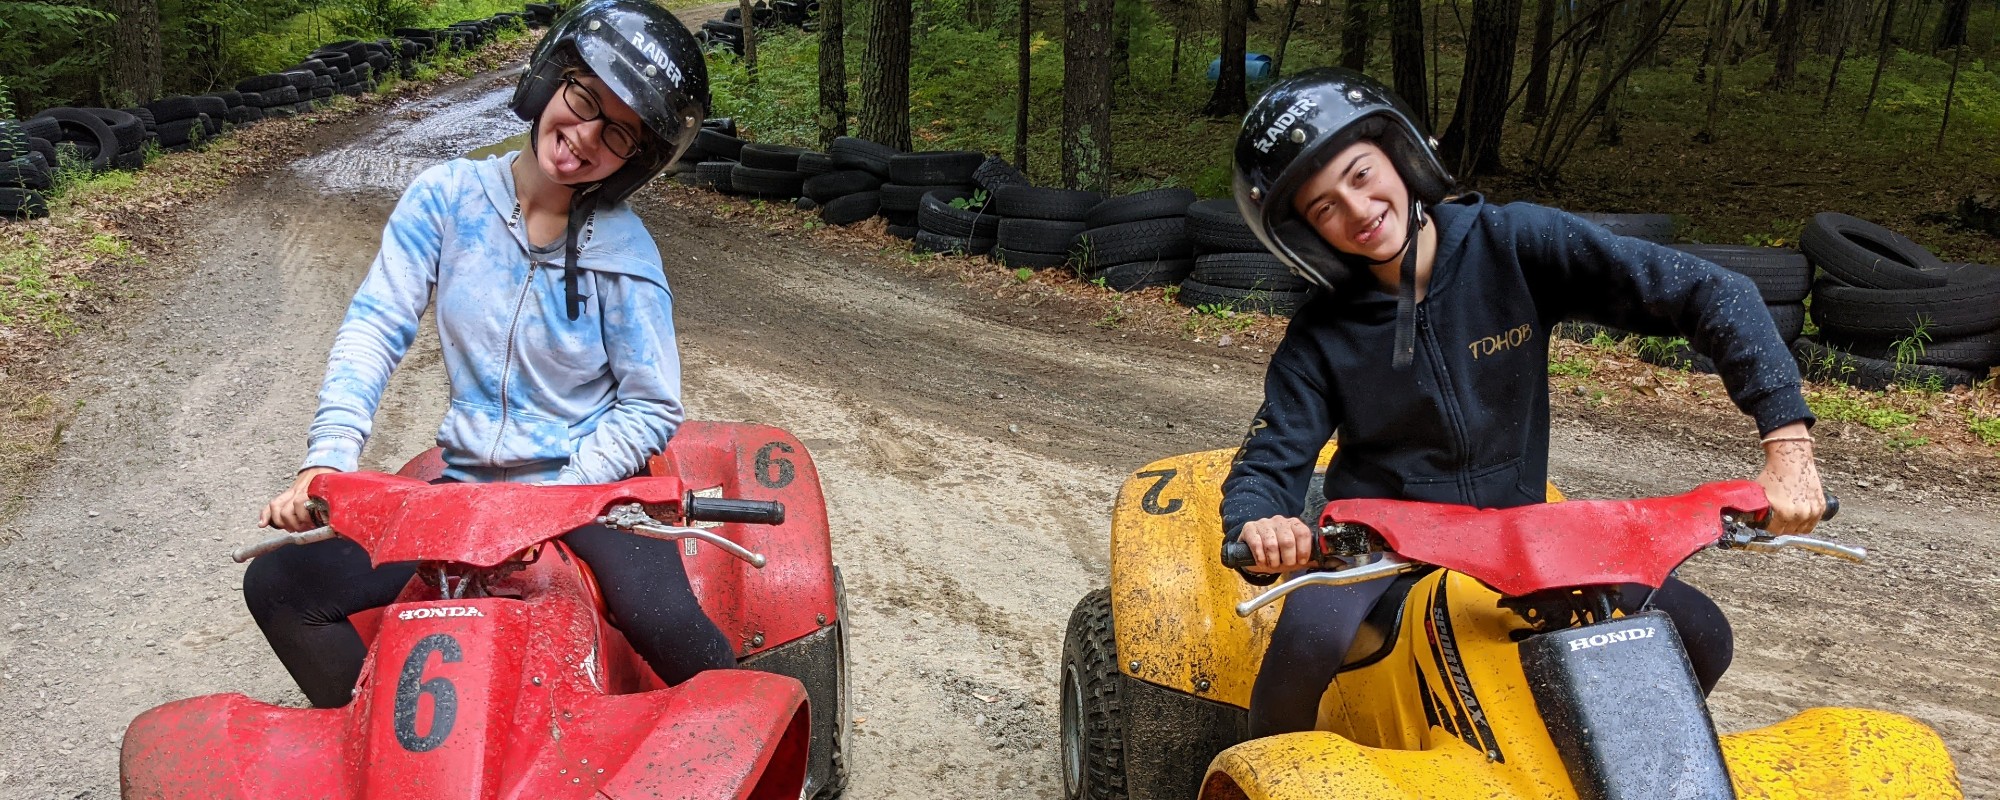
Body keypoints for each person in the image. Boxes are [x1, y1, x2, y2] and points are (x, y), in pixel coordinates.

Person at [1219, 68, 1827, 739]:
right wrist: (1259, 524)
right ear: (1307, 233)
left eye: (1362, 175)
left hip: (1521, 538)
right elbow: (1268, 460)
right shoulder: (1319, 334)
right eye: (1325, 206)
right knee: (1304, 648)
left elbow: (1714, 293)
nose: (1358, 210)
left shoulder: (1512, 243)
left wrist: (1789, 447)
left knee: (1703, 634)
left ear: (1402, 157)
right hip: (1381, 551)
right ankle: (1268, 767)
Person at [245, 0, 728, 709]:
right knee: (281, 587)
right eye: (584, 98)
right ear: (549, 81)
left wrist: (556, 494)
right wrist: (328, 459)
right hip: (468, 489)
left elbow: (651, 405)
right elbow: (375, 324)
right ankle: (377, 736)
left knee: (677, 634)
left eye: (619, 133)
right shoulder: (446, 199)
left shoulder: (628, 255)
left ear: (636, 160)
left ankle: (780, 757)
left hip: (588, 494)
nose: (585, 136)